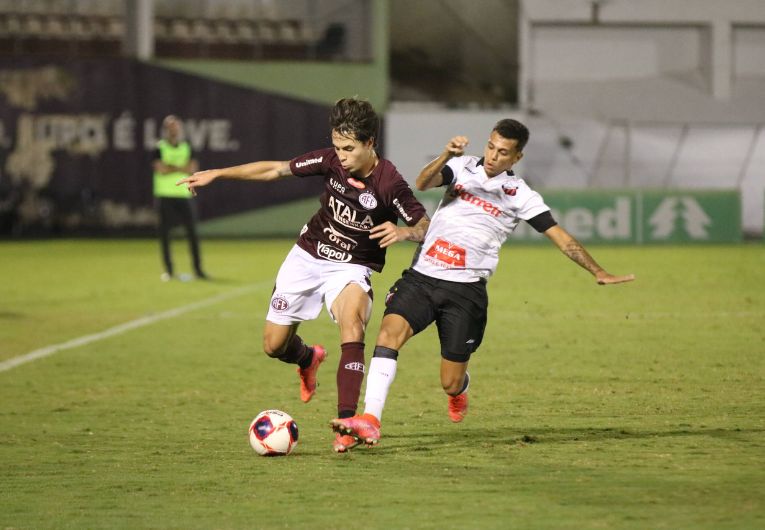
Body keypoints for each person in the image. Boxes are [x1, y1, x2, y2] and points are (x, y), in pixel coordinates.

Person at [331, 118, 635, 446]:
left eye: (503, 152)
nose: (492, 156)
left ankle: (459, 391)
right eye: (490, 146)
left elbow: (559, 236)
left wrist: (597, 271)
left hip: (465, 292)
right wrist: (447, 154)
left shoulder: (520, 194)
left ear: (516, 158)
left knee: (450, 380)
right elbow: (423, 181)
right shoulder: (462, 166)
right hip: (422, 277)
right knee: (388, 334)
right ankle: (371, 420)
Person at [176, 98, 429, 453]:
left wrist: (405, 232)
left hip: (350, 267)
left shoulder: (389, 183)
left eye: (349, 148)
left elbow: (423, 224)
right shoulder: (331, 160)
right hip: (307, 257)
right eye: (337, 146)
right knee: (273, 346)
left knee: (353, 325)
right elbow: (276, 170)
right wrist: (219, 173)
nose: (340, 155)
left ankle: (347, 425)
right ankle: (307, 358)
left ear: (370, 142)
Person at [153, 115, 207, 281]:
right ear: (165, 129)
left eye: (175, 126)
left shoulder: (187, 146)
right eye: (170, 126)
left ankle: (198, 270)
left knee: (192, 234)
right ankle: (169, 270)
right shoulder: (159, 147)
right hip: (165, 195)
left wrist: (171, 167)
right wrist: (181, 168)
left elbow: (192, 169)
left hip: (184, 195)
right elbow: (160, 169)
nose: (173, 129)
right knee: (165, 235)